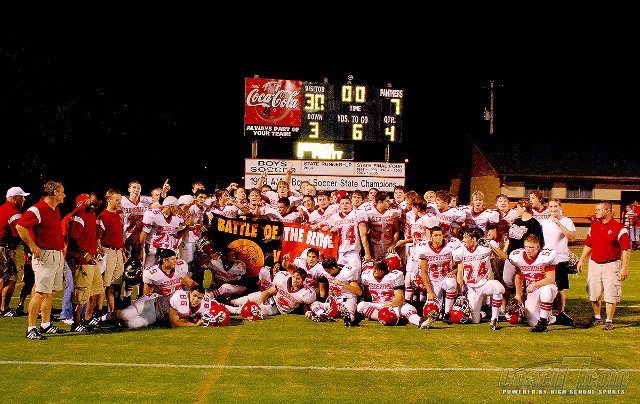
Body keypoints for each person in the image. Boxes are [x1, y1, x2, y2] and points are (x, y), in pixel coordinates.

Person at [16, 180, 68, 340]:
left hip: (56, 255)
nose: (64, 195)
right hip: (45, 256)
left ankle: (45, 324)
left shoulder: (55, 209)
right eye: (62, 192)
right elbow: (20, 226)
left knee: (50, 291)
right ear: (55, 193)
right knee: (40, 292)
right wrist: (32, 245)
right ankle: (31, 328)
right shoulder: (38, 209)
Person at [577, 201, 630, 330]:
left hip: (611, 265)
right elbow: (589, 245)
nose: (595, 212)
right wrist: (581, 260)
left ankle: (609, 321)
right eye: (595, 210)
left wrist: (624, 268)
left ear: (607, 211)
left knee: (611, 293)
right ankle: (597, 317)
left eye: (598, 210)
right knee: (593, 292)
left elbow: (626, 250)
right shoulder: (594, 226)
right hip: (594, 264)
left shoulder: (620, 229)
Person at [453, 227, 506, 330]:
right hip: (472, 288)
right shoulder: (460, 251)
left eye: (466, 237)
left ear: (473, 239)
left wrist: (491, 246)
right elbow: (460, 273)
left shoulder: (485, 248)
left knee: (498, 288)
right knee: (475, 320)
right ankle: (484, 313)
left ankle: (494, 319)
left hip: (485, 284)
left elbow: (503, 257)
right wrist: (459, 293)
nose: (463, 240)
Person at [357, 257, 431, 329]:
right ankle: (392, 319)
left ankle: (420, 322)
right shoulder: (367, 276)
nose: (374, 271)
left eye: (377, 269)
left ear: (383, 271)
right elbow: (367, 295)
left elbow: (400, 298)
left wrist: (392, 305)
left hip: (392, 306)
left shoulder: (393, 277)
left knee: (408, 308)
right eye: (374, 268)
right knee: (360, 306)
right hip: (377, 306)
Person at [67, 192, 103, 332]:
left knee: (96, 289)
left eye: (96, 205)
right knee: (81, 293)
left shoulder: (91, 213)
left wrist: (95, 249)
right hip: (81, 259)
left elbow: (88, 236)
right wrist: (85, 254)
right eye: (91, 202)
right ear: (88, 198)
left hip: (91, 258)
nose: (92, 206)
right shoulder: (79, 213)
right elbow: (73, 237)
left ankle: (87, 319)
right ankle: (76, 323)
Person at [98, 284, 211, 329]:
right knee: (125, 314)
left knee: (132, 324)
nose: (196, 300)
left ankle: (117, 321)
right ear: (189, 293)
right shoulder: (179, 297)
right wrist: (194, 324)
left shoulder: (204, 305)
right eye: (194, 296)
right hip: (151, 302)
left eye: (199, 298)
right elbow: (174, 323)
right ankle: (105, 316)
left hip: (155, 316)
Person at [510, 234, 559, 332]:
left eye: (531, 247)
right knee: (532, 322)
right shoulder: (519, 257)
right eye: (526, 247)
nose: (528, 250)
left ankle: (543, 323)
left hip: (545, 286)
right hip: (532, 291)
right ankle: (554, 318)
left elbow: (550, 279)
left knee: (546, 291)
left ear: (538, 247)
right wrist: (518, 295)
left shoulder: (545, 257)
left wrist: (534, 284)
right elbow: (519, 277)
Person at [540, 198, 576, 326]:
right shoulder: (544, 222)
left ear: (560, 207)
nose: (553, 209)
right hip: (547, 260)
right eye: (551, 206)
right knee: (547, 287)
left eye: (556, 206)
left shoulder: (566, 221)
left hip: (560, 259)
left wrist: (559, 224)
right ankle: (548, 314)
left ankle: (561, 313)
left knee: (559, 287)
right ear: (548, 208)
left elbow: (572, 237)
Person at [415, 226, 461, 323]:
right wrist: (430, 291)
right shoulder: (424, 249)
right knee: (432, 312)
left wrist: (453, 272)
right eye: (436, 235)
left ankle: (447, 313)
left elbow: (461, 265)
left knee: (451, 283)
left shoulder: (450, 246)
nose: (438, 237)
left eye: (440, 235)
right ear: (431, 237)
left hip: (446, 277)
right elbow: (424, 272)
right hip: (433, 281)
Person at [502, 199, 544, 293]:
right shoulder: (517, 221)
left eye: (518, 207)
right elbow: (510, 237)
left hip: (524, 257)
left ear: (524, 208)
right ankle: (516, 295)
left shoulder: (534, 224)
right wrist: (505, 251)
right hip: (511, 255)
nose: (516, 210)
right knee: (507, 280)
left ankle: (522, 297)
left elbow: (536, 242)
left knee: (523, 279)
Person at [305, 257, 362, 326]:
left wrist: (342, 284)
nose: (327, 272)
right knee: (314, 304)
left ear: (333, 268)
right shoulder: (329, 273)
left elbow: (359, 292)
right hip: (335, 301)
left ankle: (349, 319)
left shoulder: (347, 272)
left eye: (327, 271)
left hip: (347, 300)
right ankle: (323, 315)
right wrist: (329, 298)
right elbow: (331, 287)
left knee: (348, 312)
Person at [0, 186, 30, 316]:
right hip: (5, 249)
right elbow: (20, 233)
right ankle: (4, 308)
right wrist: (31, 246)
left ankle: (3, 308)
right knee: (9, 279)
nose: (24, 200)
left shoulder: (2, 208)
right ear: (15, 198)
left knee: (3, 278)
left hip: (3, 247)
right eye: (22, 197)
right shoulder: (13, 212)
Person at [320, 196, 371, 270]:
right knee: (338, 274)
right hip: (338, 252)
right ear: (339, 206)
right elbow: (325, 229)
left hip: (353, 252)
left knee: (354, 273)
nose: (345, 205)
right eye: (342, 203)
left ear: (351, 205)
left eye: (347, 203)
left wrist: (367, 253)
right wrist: (329, 229)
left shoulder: (357, 214)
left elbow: (363, 235)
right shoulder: (334, 217)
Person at [97, 189, 126, 313]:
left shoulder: (118, 215)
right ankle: (98, 310)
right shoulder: (103, 217)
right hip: (107, 250)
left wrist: (122, 251)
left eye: (120, 200)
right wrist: (101, 252)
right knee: (104, 283)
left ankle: (111, 311)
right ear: (109, 200)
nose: (119, 202)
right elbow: (97, 238)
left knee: (114, 283)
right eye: (116, 200)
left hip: (118, 251)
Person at [139, 196, 188, 268]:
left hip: (168, 251)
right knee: (149, 270)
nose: (178, 210)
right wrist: (141, 250)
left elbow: (176, 235)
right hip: (153, 250)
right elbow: (144, 233)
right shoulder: (153, 215)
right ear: (171, 207)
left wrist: (187, 229)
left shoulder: (177, 218)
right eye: (177, 207)